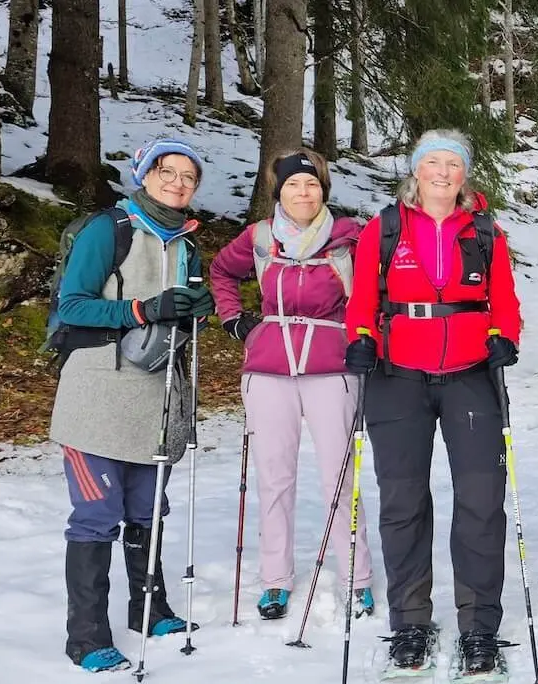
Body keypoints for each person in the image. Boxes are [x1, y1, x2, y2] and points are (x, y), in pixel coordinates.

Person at [342, 129, 522, 677]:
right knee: (402, 501)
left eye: (453, 164)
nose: (443, 173)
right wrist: (360, 337)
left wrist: (504, 336)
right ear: (416, 170)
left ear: (464, 174)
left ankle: (479, 627)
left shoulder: (486, 231)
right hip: (398, 375)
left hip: (470, 375)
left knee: (479, 500)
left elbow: (504, 297)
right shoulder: (386, 227)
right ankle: (411, 622)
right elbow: (362, 299)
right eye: (432, 163)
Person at [50, 138, 211, 672]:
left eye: (190, 177)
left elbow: (180, 319)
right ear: (145, 173)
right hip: (97, 394)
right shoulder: (109, 230)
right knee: (97, 514)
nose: (179, 182)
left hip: (157, 396)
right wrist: (142, 308)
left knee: (147, 510)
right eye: (168, 171)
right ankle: (87, 636)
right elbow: (74, 305)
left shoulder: (188, 244)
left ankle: (150, 608)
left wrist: (197, 311)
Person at [209, 148, 375, 621]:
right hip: (268, 369)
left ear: (323, 189)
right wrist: (234, 319)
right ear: (277, 191)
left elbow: (374, 292)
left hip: (332, 366)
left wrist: (365, 335)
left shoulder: (348, 239)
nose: (303, 193)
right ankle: (275, 580)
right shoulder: (260, 237)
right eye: (292, 185)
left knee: (339, 477)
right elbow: (221, 270)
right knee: (274, 477)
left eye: (311, 184)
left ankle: (356, 576)